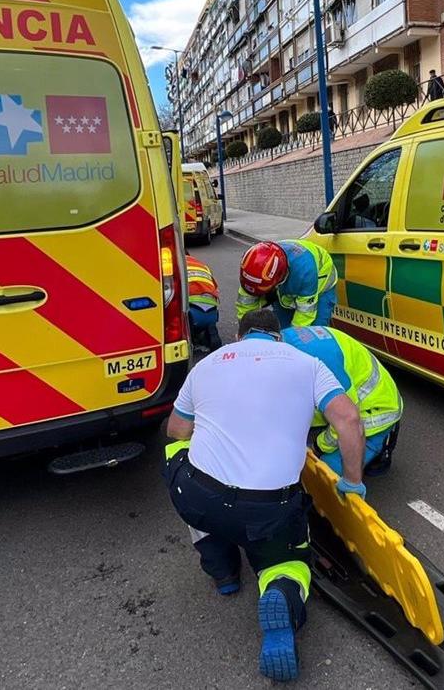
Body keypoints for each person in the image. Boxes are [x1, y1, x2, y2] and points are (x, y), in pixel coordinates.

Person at [164, 309, 366, 682]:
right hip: (267, 510)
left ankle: (222, 569)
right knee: (289, 562)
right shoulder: (308, 365)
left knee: (177, 453)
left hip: (199, 496)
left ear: (240, 338)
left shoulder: (206, 365)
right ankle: (280, 591)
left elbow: (177, 429)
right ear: (278, 339)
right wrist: (352, 481)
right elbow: (349, 420)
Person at [281, 325, 402, 477]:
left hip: (375, 411)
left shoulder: (320, 361)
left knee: (323, 474)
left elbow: (348, 418)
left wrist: (318, 446)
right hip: (353, 397)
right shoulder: (284, 340)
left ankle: (377, 448)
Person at [236, 239, 338, 329]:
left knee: (313, 332)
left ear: (278, 280)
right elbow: (245, 306)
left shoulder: (305, 272)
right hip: (286, 281)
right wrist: (247, 332)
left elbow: (304, 315)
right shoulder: (251, 271)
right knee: (281, 328)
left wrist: (293, 342)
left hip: (320, 284)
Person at [185, 253, 222, 352]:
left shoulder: (174, 265)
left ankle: (191, 338)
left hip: (192, 314)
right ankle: (210, 328)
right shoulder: (202, 265)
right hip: (212, 311)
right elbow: (215, 289)